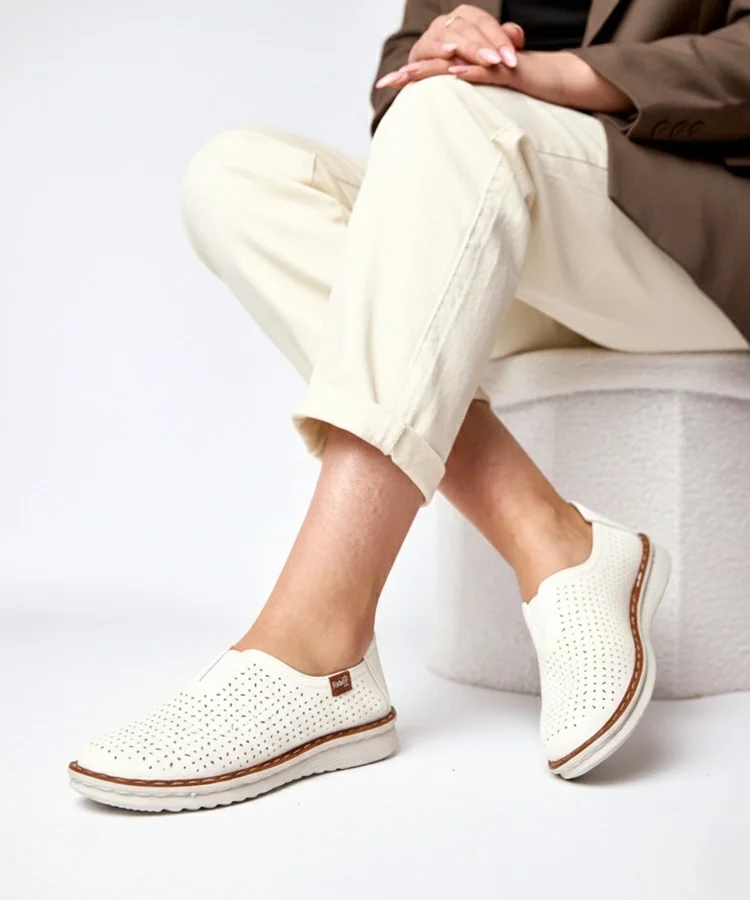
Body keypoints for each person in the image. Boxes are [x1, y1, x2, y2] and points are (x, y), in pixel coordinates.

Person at [68, 1, 750, 811]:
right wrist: (439, 50)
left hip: (691, 235)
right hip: (523, 216)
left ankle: (319, 641)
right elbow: (408, 70)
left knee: (452, 115)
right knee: (234, 176)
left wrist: (558, 76)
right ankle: (554, 539)